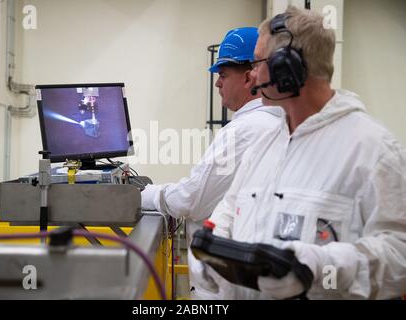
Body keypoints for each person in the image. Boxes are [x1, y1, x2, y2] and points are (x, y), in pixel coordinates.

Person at [208, 6, 406, 299]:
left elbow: (399, 253)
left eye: (258, 62)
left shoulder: (372, 150)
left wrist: (318, 269)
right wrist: (211, 256)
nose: (252, 74)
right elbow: (229, 210)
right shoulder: (266, 143)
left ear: (287, 68)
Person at [141, 27, 283, 299]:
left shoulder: (242, 130)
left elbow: (190, 199)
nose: (217, 83)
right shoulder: (278, 122)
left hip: (223, 288)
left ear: (249, 76)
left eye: (223, 74)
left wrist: (141, 194)